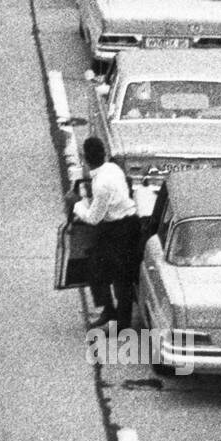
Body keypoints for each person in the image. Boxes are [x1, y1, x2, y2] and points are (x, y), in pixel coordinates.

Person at [72, 136, 142, 332]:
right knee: (95, 265)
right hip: (121, 223)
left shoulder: (101, 183)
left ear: (85, 158)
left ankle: (122, 322)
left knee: (121, 277)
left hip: (122, 229)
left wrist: (77, 205)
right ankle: (109, 309)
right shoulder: (112, 168)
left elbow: (93, 218)